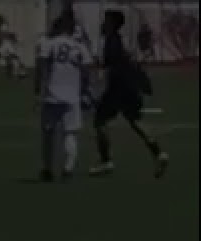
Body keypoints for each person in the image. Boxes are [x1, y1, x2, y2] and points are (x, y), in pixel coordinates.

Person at [88, 9, 168, 178]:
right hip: (130, 88)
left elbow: (113, 65)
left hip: (118, 88)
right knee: (135, 121)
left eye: (107, 20)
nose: (103, 23)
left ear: (112, 24)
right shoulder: (117, 40)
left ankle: (106, 161)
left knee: (99, 121)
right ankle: (158, 153)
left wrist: (102, 66)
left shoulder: (112, 41)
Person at [34, 14, 90, 181]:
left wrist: (38, 91)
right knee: (70, 133)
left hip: (52, 94)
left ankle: (47, 169)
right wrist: (85, 90)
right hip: (72, 95)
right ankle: (68, 168)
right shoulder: (79, 47)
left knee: (48, 134)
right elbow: (86, 71)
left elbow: (42, 68)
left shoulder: (48, 44)